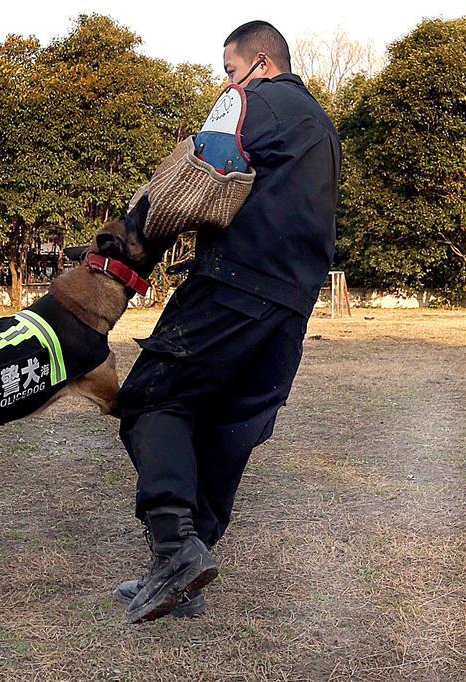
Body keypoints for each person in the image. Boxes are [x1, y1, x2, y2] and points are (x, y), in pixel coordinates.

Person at [114, 20, 341, 623]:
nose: (225, 81)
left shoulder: (252, 99)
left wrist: (135, 234)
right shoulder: (322, 126)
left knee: (149, 400)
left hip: (232, 283)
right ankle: (183, 573)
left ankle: (172, 545)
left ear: (260, 62)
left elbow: (203, 166)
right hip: (291, 305)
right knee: (228, 427)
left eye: (229, 69)